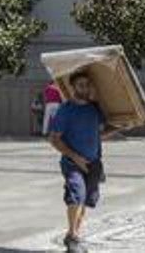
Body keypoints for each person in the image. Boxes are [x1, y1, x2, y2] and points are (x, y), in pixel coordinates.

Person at [48, 71, 124, 253]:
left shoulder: (94, 109)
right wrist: (76, 158)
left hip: (94, 163)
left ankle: (73, 236)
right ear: (73, 87)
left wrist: (120, 127)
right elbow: (54, 139)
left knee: (87, 201)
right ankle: (73, 236)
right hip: (72, 163)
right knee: (76, 194)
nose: (85, 88)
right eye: (81, 85)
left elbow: (99, 134)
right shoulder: (66, 110)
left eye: (87, 84)